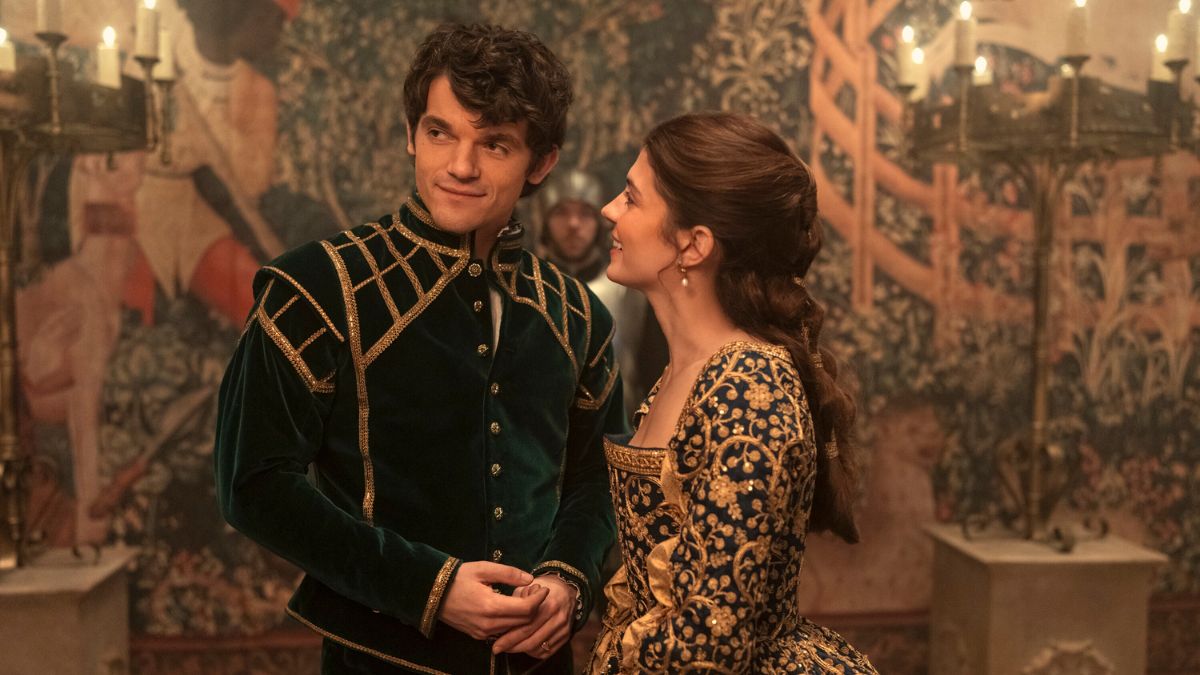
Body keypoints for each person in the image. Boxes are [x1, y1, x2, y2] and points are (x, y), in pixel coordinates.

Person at [215, 24, 626, 674]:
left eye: (494, 144)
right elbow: (254, 483)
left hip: (539, 663)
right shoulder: (316, 288)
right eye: (440, 133)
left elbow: (598, 475)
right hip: (379, 663)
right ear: (412, 133)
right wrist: (429, 588)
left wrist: (568, 580)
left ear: (541, 163)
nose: (460, 166)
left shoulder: (578, 314)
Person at [585, 112, 878, 673]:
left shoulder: (749, 387)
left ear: (693, 244)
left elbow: (711, 643)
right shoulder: (687, 371)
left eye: (631, 198)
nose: (609, 210)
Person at [533, 170, 667, 418]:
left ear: (599, 222)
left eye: (585, 213)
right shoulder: (526, 288)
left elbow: (653, 373)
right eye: (561, 212)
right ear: (544, 219)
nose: (573, 224)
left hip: (621, 426)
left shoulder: (630, 292)